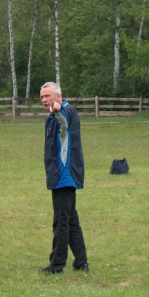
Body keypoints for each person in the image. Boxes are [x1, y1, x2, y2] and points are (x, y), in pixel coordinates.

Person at [39, 82, 89, 274]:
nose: (44, 100)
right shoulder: (51, 117)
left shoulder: (66, 111)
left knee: (61, 221)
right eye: (42, 97)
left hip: (64, 176)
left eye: (48, 96)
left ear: (58, 96)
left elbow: (64, 121)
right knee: (70, 219)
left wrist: (58, 110)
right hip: (58, 176)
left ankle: (57, 265)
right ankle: (81, 261)